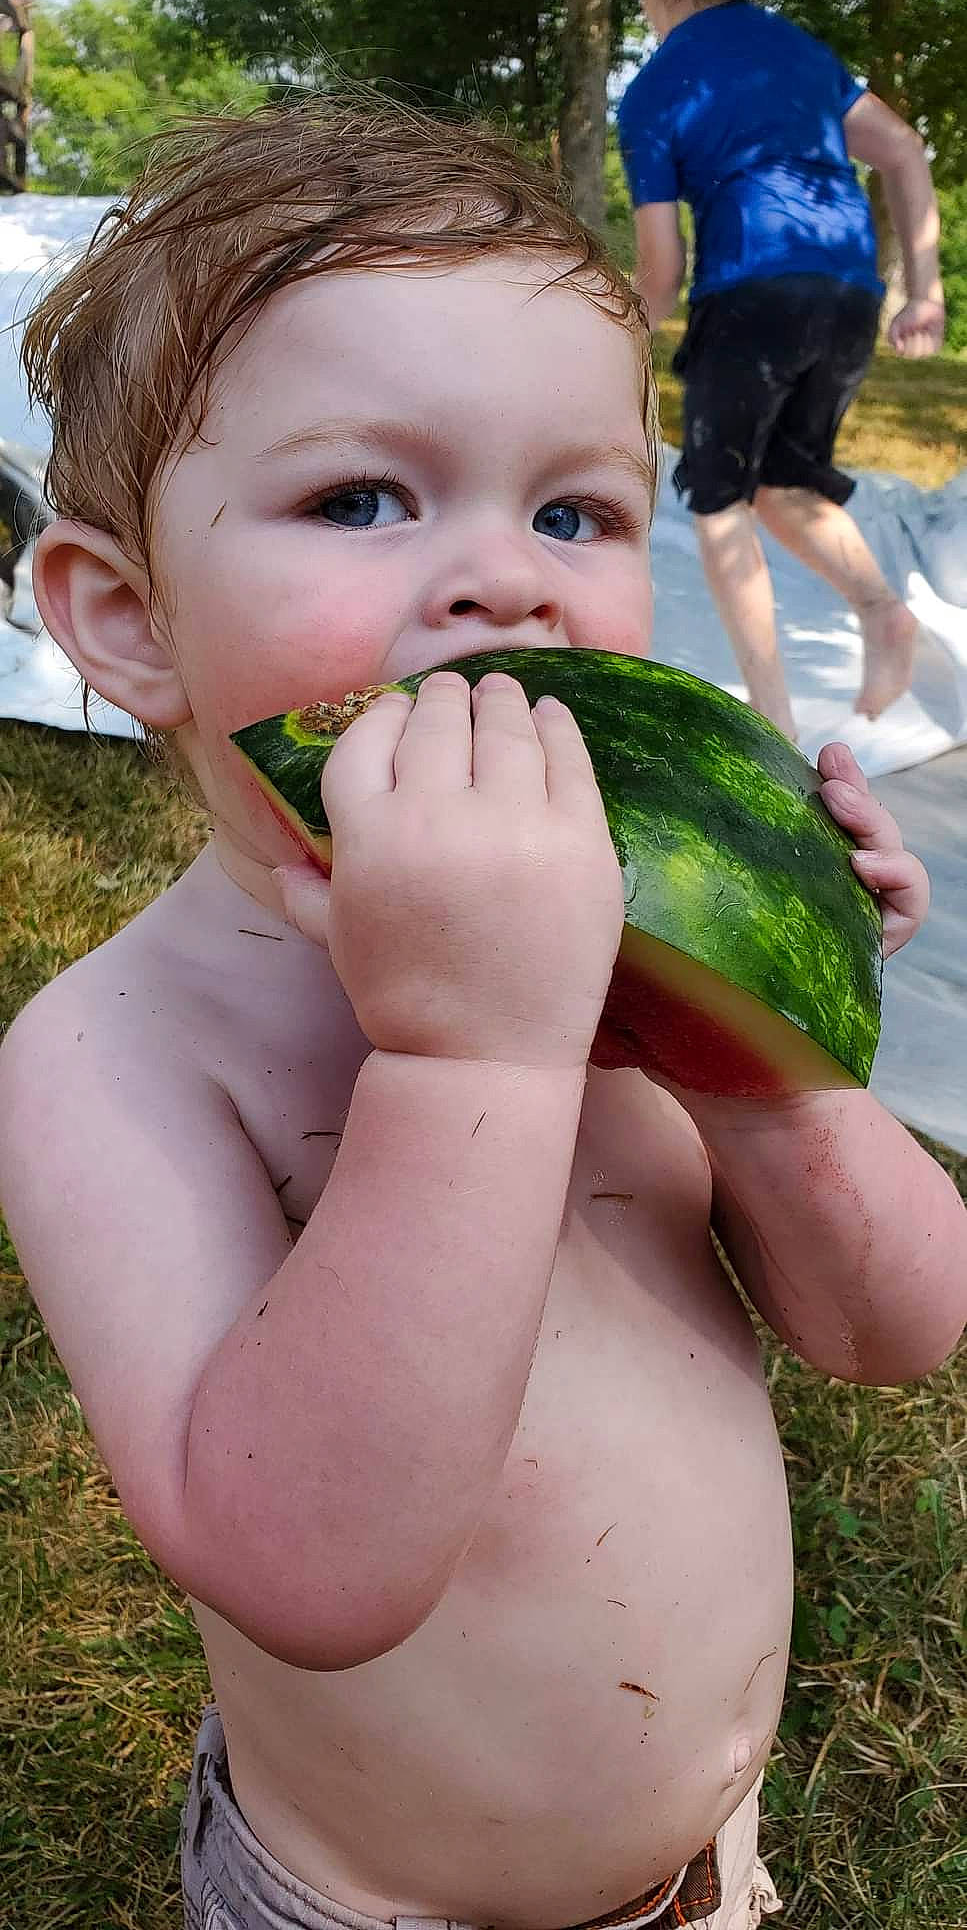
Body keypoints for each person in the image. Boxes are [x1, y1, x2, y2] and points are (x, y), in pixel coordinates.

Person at [2, 98, 965, 1930]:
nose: (506, 576)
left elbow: (891, 1329)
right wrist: (474, 1057)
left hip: (702, 1876)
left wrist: (772, 1038)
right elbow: (307, 1561)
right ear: (126, 622)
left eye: (574, 508)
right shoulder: (116, 1053)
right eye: (361, 496)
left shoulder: (628, 952)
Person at [618, 0, 946, 742]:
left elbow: (661, 269)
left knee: (718, 501)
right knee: (784, 485)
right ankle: (881, 611)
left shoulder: (654, 91)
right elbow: (904, 151)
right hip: (845, 294)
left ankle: (774, 728)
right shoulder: (795, 53)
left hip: (753, 294)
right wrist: (926, 289)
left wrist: (609, 340)